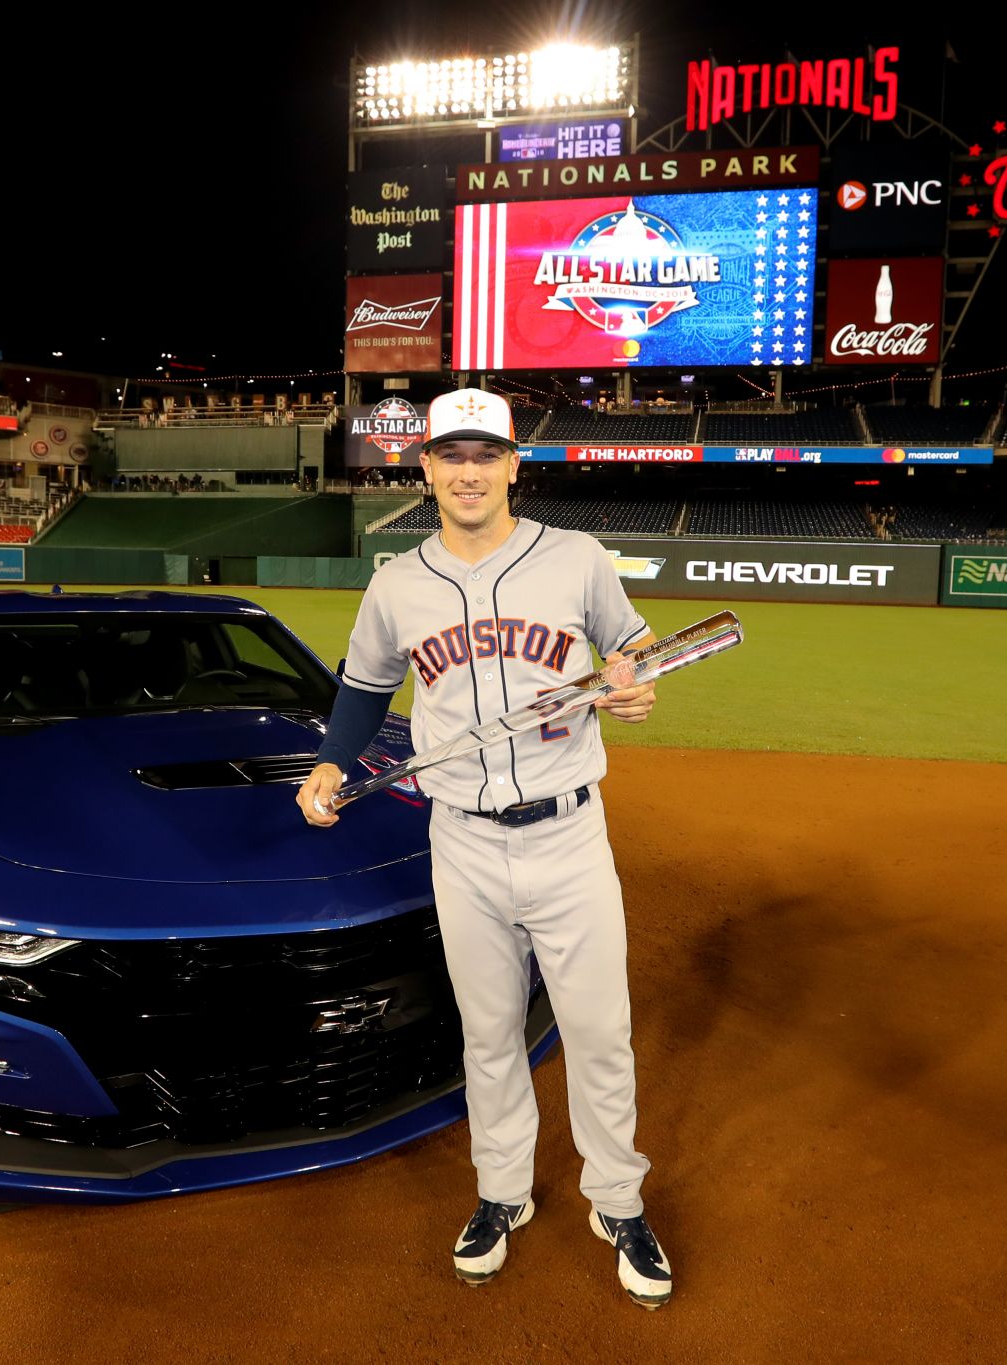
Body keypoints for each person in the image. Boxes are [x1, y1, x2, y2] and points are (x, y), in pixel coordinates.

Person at [296, 388, 674, 1310]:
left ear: (513, 465)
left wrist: (632, 681)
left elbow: (634, 648)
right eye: (450, 454)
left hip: (569, 829)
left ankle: (617, 1200)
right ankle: (502, 1193)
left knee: (597, 1031)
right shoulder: (397, 582)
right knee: (489, 1030)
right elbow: (364, 685)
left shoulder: (575, 559)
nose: (468, 470)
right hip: (459, 837)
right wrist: (328, 764)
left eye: (485, 453)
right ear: (424, 466)